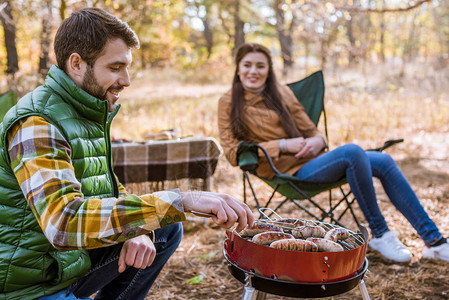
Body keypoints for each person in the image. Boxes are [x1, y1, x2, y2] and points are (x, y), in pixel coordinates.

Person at [0, 8, 254, 300]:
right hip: (28, 284)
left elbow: (106, 187)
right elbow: (63, 224)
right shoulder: (37, 123)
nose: (127, 80)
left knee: (164, 230)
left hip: (66, 263)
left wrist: (139, 228)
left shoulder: (85, 107)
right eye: (116, 67)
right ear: (77, 64)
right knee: (164, 214)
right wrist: (183, 199)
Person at [218, 42, 449, 264]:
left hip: (312, 161)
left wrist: (318, 141)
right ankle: (380, 234)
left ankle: (434, 242)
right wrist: (282, 145)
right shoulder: (228, 101)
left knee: (384, 160)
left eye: (260, 65)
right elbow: (231, 153)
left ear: (268, 70)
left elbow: (312, 130)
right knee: (352, 153)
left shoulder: (282, 93)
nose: (253, 71)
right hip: (285, 172)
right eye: (247, 64)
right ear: (238, 68)